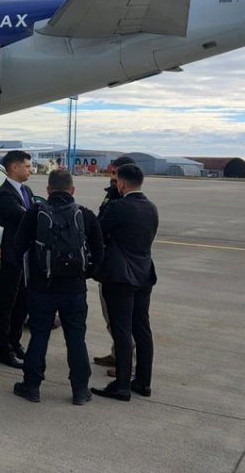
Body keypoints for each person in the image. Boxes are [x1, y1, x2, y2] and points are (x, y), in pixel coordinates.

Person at [10, 170, 103, 405]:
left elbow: (17, 247)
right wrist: (84, 274)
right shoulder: (85, 214)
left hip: (42, 287)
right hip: (74, 289)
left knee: (39, 335)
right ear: (72, 190)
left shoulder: (35, 213)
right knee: (76, 338)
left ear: (48, 191)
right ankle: (80, 390)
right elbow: (99, 254)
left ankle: (31, 386)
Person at [92, 163, 158, 401]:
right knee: (142, 329)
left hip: (120, 276)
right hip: (144, 274)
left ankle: (121, 385)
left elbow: (98, 231)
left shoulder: (119, 207)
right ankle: (143, 381)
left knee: (121, 329)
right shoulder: (151, 207)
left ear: (120, 183)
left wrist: (108, 203)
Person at [92, 155, 136, 370]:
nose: (111, 178)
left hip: (118, 269)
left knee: (119, 318)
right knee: (110, 315)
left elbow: (103, 229)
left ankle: (125, 362)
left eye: (114, 174)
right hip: (110, 264)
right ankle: (117, 352)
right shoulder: (112, 195)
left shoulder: (123, 202)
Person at [0, 150, 34, 368]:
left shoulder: (26, 190)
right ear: (14, 167)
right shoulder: (4, 194)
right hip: (11, 257)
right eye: (26, 166)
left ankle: (15, 343)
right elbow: (25, 216)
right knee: (6, 305)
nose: (30, 169)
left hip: (26, 257)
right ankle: (4, 350)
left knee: (23, 303)